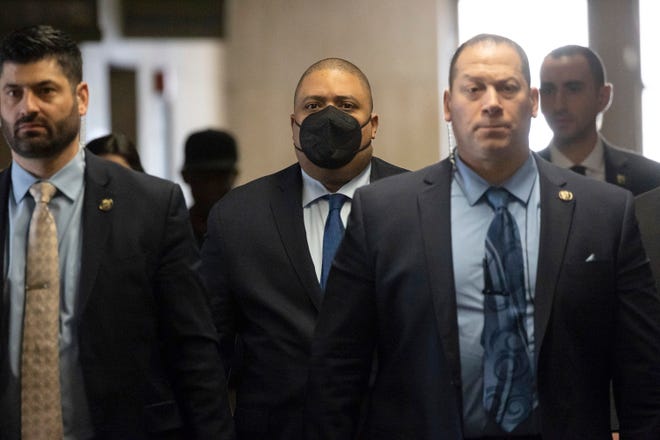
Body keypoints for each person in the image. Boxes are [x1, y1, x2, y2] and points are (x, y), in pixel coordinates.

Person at [305, 34, 660, 439]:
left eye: (508, 88)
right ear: (447, 106)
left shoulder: (606, 213)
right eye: (473, 89)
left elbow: (642, 377)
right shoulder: (384, 213)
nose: (491, 102)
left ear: (533, 102)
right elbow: (337, 371)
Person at [0, 25, 234, 439]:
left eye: (45, 90)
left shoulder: (150, 206)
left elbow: (193, 352)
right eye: (13, 93)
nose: (27, 107)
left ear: (82, 97)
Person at [199, 57, 406, 440]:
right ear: (293, 125)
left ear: (372, 125)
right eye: (313, 107)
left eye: (346, 106)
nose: (329, 118)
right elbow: (206, 352)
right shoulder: (238, 217)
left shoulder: (415, 205)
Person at [537, 44, 660, 195]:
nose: (559, 105)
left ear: (603, 97)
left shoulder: (650, 179)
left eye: (573, 89)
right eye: (548, 91)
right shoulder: (523, 178)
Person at [181, 128, 238, 246]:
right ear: (186, 177)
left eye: (220, 177)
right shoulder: (173, 235)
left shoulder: (249, 231)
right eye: (204, 178)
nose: (211, 187)